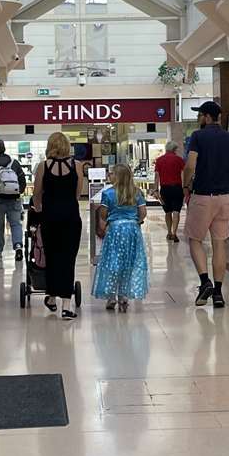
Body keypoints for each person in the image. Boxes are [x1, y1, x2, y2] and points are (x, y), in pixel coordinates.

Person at [182, 100, 229, 308]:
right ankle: (219, 294)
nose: (198, 119)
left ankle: (205, 282)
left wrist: (185, 184)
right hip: (224, 199)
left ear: (206, 117)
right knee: (219, 243)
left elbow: (190, 164)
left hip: (202, 196)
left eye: (199, 115)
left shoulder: (197, 137)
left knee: (195, 239)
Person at [32, 131, 84, 320]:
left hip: (50, 218)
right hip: (71, 217)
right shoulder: (77, 166)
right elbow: (78, 194)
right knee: (68, 259)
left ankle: (52, 297)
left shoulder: (43, 167)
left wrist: (38, 209)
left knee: (52, 258)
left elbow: (37, 193)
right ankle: (67, 306)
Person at [92, 163, 149, 312]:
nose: (109, 176)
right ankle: (124, 295)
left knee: (112, 262)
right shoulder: (136, 193)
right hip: (132, 231)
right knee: (129, 262)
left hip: (115, 230)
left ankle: (111, 296)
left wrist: (107, 221)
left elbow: (103, 214)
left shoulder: (108, 193)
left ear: (118, 177)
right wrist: (135, 221)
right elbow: (143, 212)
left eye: (112, 174)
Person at [0, 139, 26, 262]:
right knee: (16, 224)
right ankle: (18, 246)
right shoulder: (15, 163)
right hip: (14, 199)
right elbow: (22, 181)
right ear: (5, 149)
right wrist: (18, 192)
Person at [153, 140, 187, 243]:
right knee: (176, 211)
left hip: (164, 189)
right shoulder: (179, 160)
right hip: (177, 188)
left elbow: (156, 177)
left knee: (168, 212)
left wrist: (155, 189)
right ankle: (174, 233)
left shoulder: (159, 160)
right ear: (174, 149)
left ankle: (168, 232)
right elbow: (183, 174)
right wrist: (185, 187)